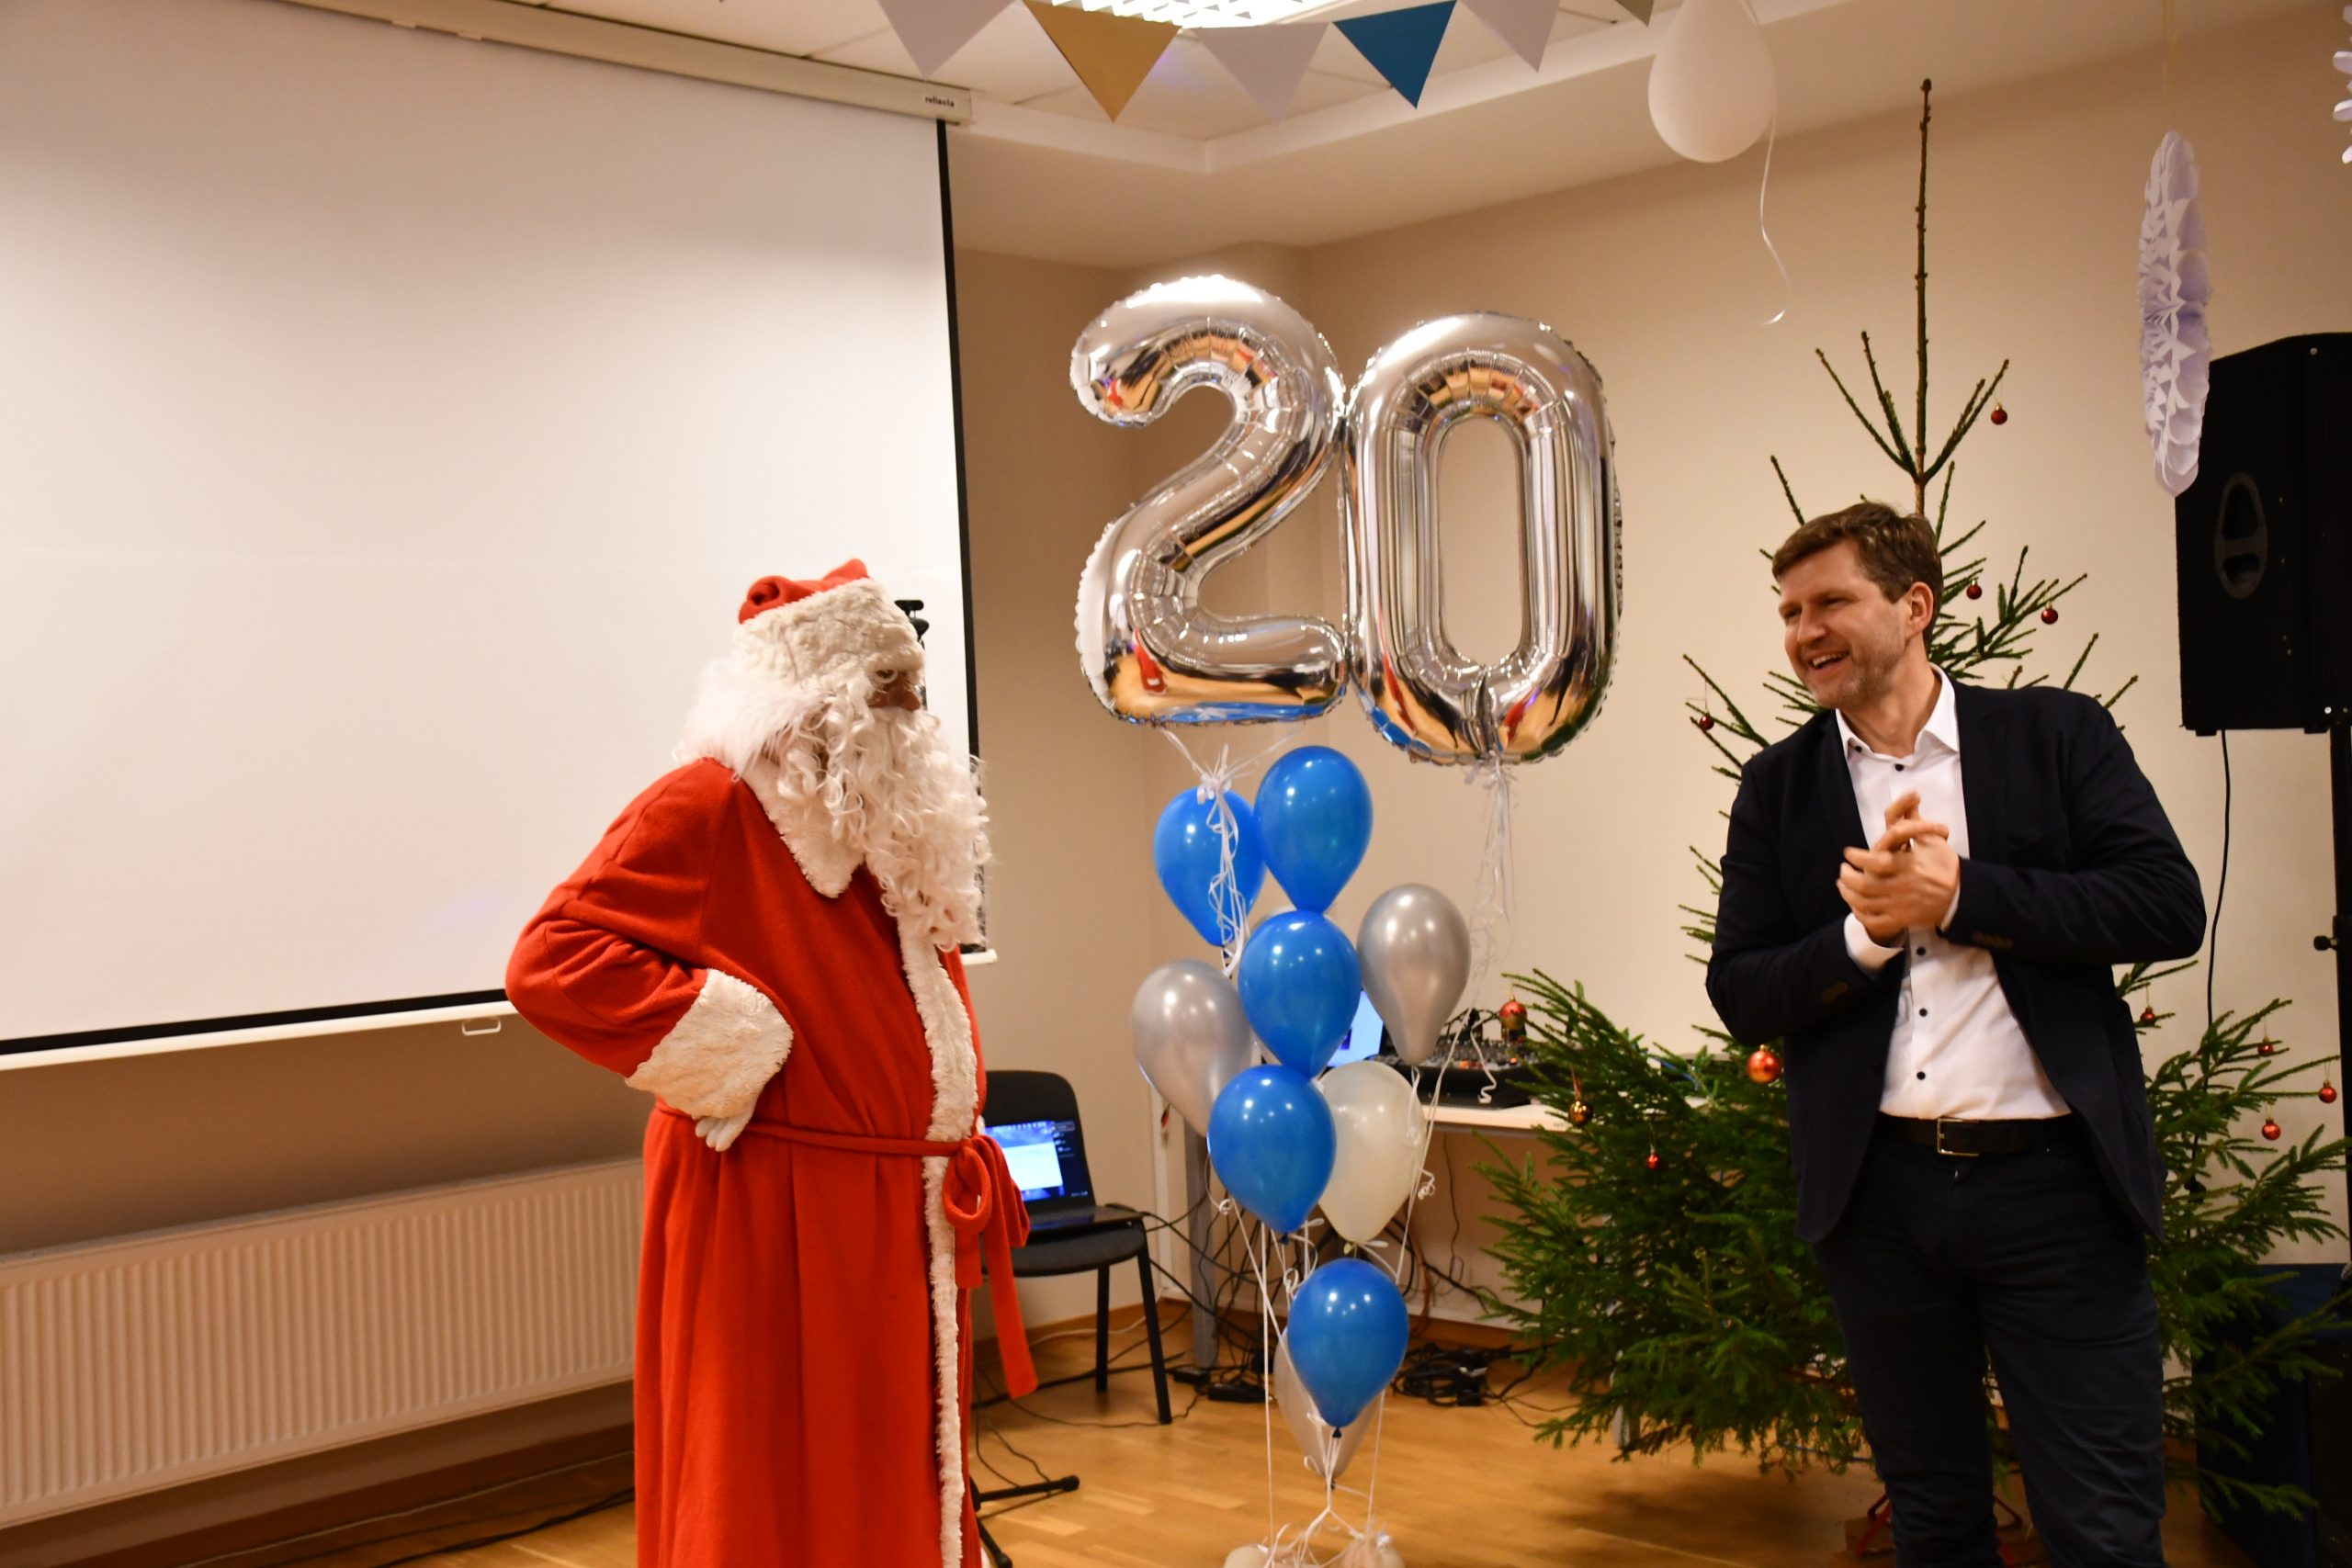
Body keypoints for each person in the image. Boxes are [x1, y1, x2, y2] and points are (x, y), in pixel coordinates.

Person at [1705, 502, 2206, 1567]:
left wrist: (1963, 894)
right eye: (1789, 612)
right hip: (1877, 1202)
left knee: (2104, 1531)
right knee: (1931, 1522)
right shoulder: (1777, 786)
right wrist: (1865, 938)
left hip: (2057, 1195)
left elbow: (2165, 906)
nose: (1804, 631)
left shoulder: (2055, 736)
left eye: (1831, 601)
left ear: (1914, 606)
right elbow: (1741, 991)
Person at [505, 561, 1034, 1568]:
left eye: (912, 685)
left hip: (894, 1220)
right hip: (775, 1216)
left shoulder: (887, 829)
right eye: (886, 686)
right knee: (775, 1479)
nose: (911, 709)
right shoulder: (711, 804)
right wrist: (735, 1046)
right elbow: (551, 961)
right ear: (814, 699)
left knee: (890, 1473)